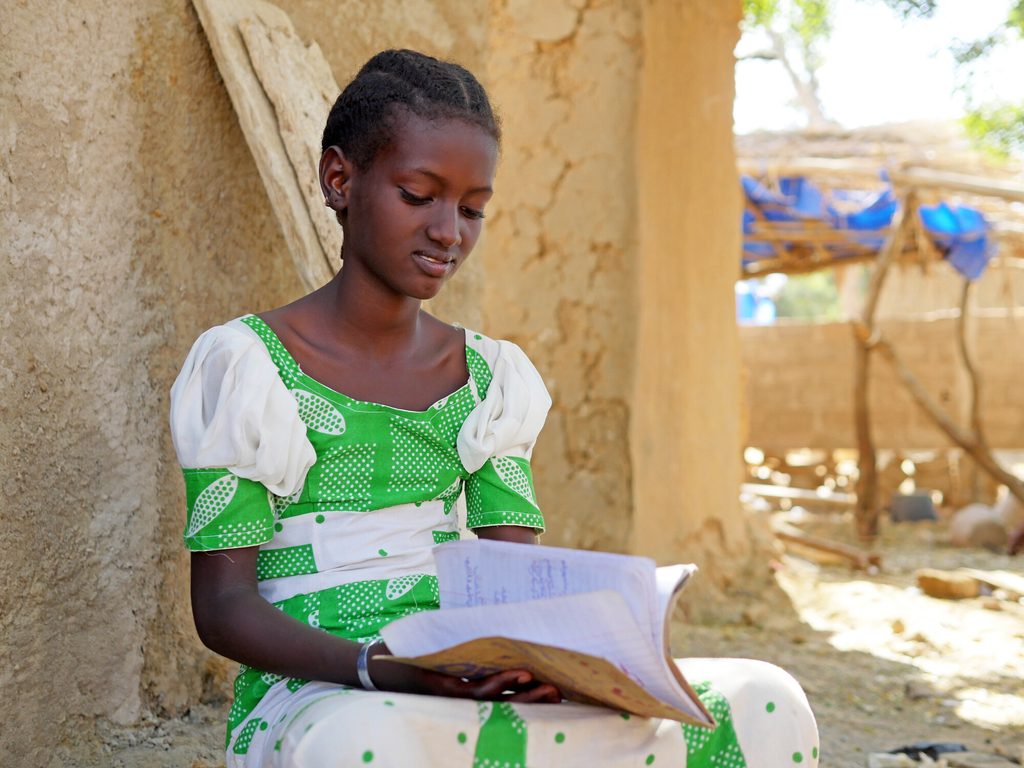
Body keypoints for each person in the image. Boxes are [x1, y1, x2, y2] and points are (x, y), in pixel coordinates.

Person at [170, 49, 819, 768]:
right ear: (339, 179)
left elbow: (518, 588)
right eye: (419, 196)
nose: (450, 231)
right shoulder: (248, 365)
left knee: (765, 698)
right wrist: (382, 666)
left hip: (467, 687)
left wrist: (555, 664)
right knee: (368, 744)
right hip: (328, 693)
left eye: (473, 208)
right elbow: (223, 607)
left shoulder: (488, 379)